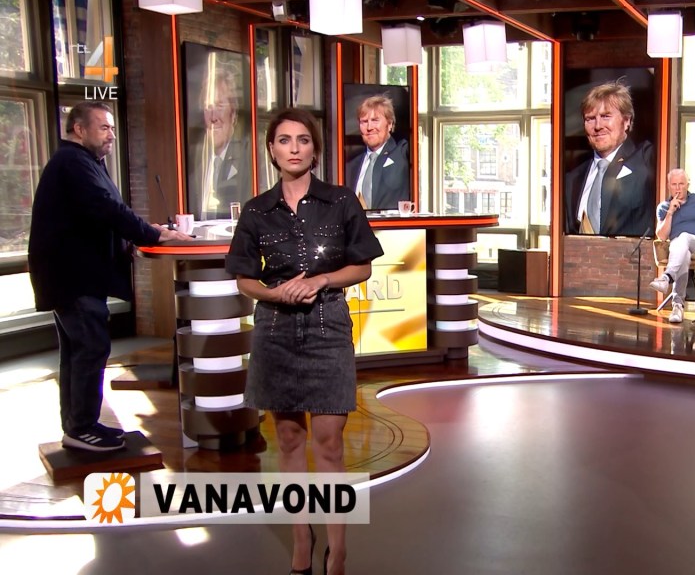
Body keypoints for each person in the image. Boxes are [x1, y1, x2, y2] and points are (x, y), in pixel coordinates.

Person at [226, 108, 383, 575]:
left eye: (303, 140)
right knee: (289, 439)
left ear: (315, 149)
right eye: (284, 140)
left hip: (327, 327)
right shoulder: (256, 210)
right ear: (271, 150)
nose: (294, 148)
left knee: (329, 441)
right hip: (275, 331)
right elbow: (243, 278)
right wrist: (274, 293)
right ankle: (301, 538)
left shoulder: (341, 201)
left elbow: (362, 266)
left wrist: (320, 281)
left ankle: (338, 550)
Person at [28, 102, 192, 452]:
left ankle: (78, 425)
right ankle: (81, 428)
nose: (111, 135)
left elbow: (96, 216)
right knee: (91, 348)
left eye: (112, 128)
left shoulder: (84, 162)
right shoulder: (72, 163)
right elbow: (107, 208)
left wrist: (134, 238)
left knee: (78, 351)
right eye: (104, 127)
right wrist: (154, 234)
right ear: (79, 129)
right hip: (73, 278)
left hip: (74, 276)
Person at [564, 80, 654, 236]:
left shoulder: (647, 159)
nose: (598, 126)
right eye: (590, 119)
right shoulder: (573, 179)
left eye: (606, 116)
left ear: (627, 121)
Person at [190, 68, 252, 220]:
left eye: (219, 106)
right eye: (208, 107)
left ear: (233, 113)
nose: (213, 117)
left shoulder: (247, 157)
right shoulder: (196, 156)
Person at [649, 168, 695, 324]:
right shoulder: (663, 207)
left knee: (684, 236)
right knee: (684, 253)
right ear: (669, 186)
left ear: (687, 184)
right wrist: (670, 212)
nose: (678, 188)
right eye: (674, 184)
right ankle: (677, 306)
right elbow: (662, 236)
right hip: (679, 249)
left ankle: (667, 277)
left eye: (681, 184)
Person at [344, 94, 410, 210]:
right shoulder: (351, 166)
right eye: (364, 121)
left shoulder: (402, 152)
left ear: (389, 124)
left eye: (375, 120)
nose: (369, 127)